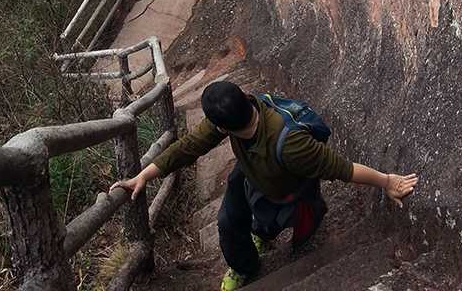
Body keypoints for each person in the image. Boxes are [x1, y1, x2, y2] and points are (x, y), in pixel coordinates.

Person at [111, 81, 418, 291]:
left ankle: (276, 228)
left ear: (224, 125)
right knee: (228, 222)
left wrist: (386, 181)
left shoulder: (290, 144)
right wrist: (144, 175)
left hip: (287, 187)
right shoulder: (241, 109)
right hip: (249, 174)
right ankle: (245, 266)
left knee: (283, 225)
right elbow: (190, 146)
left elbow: (341, 168)